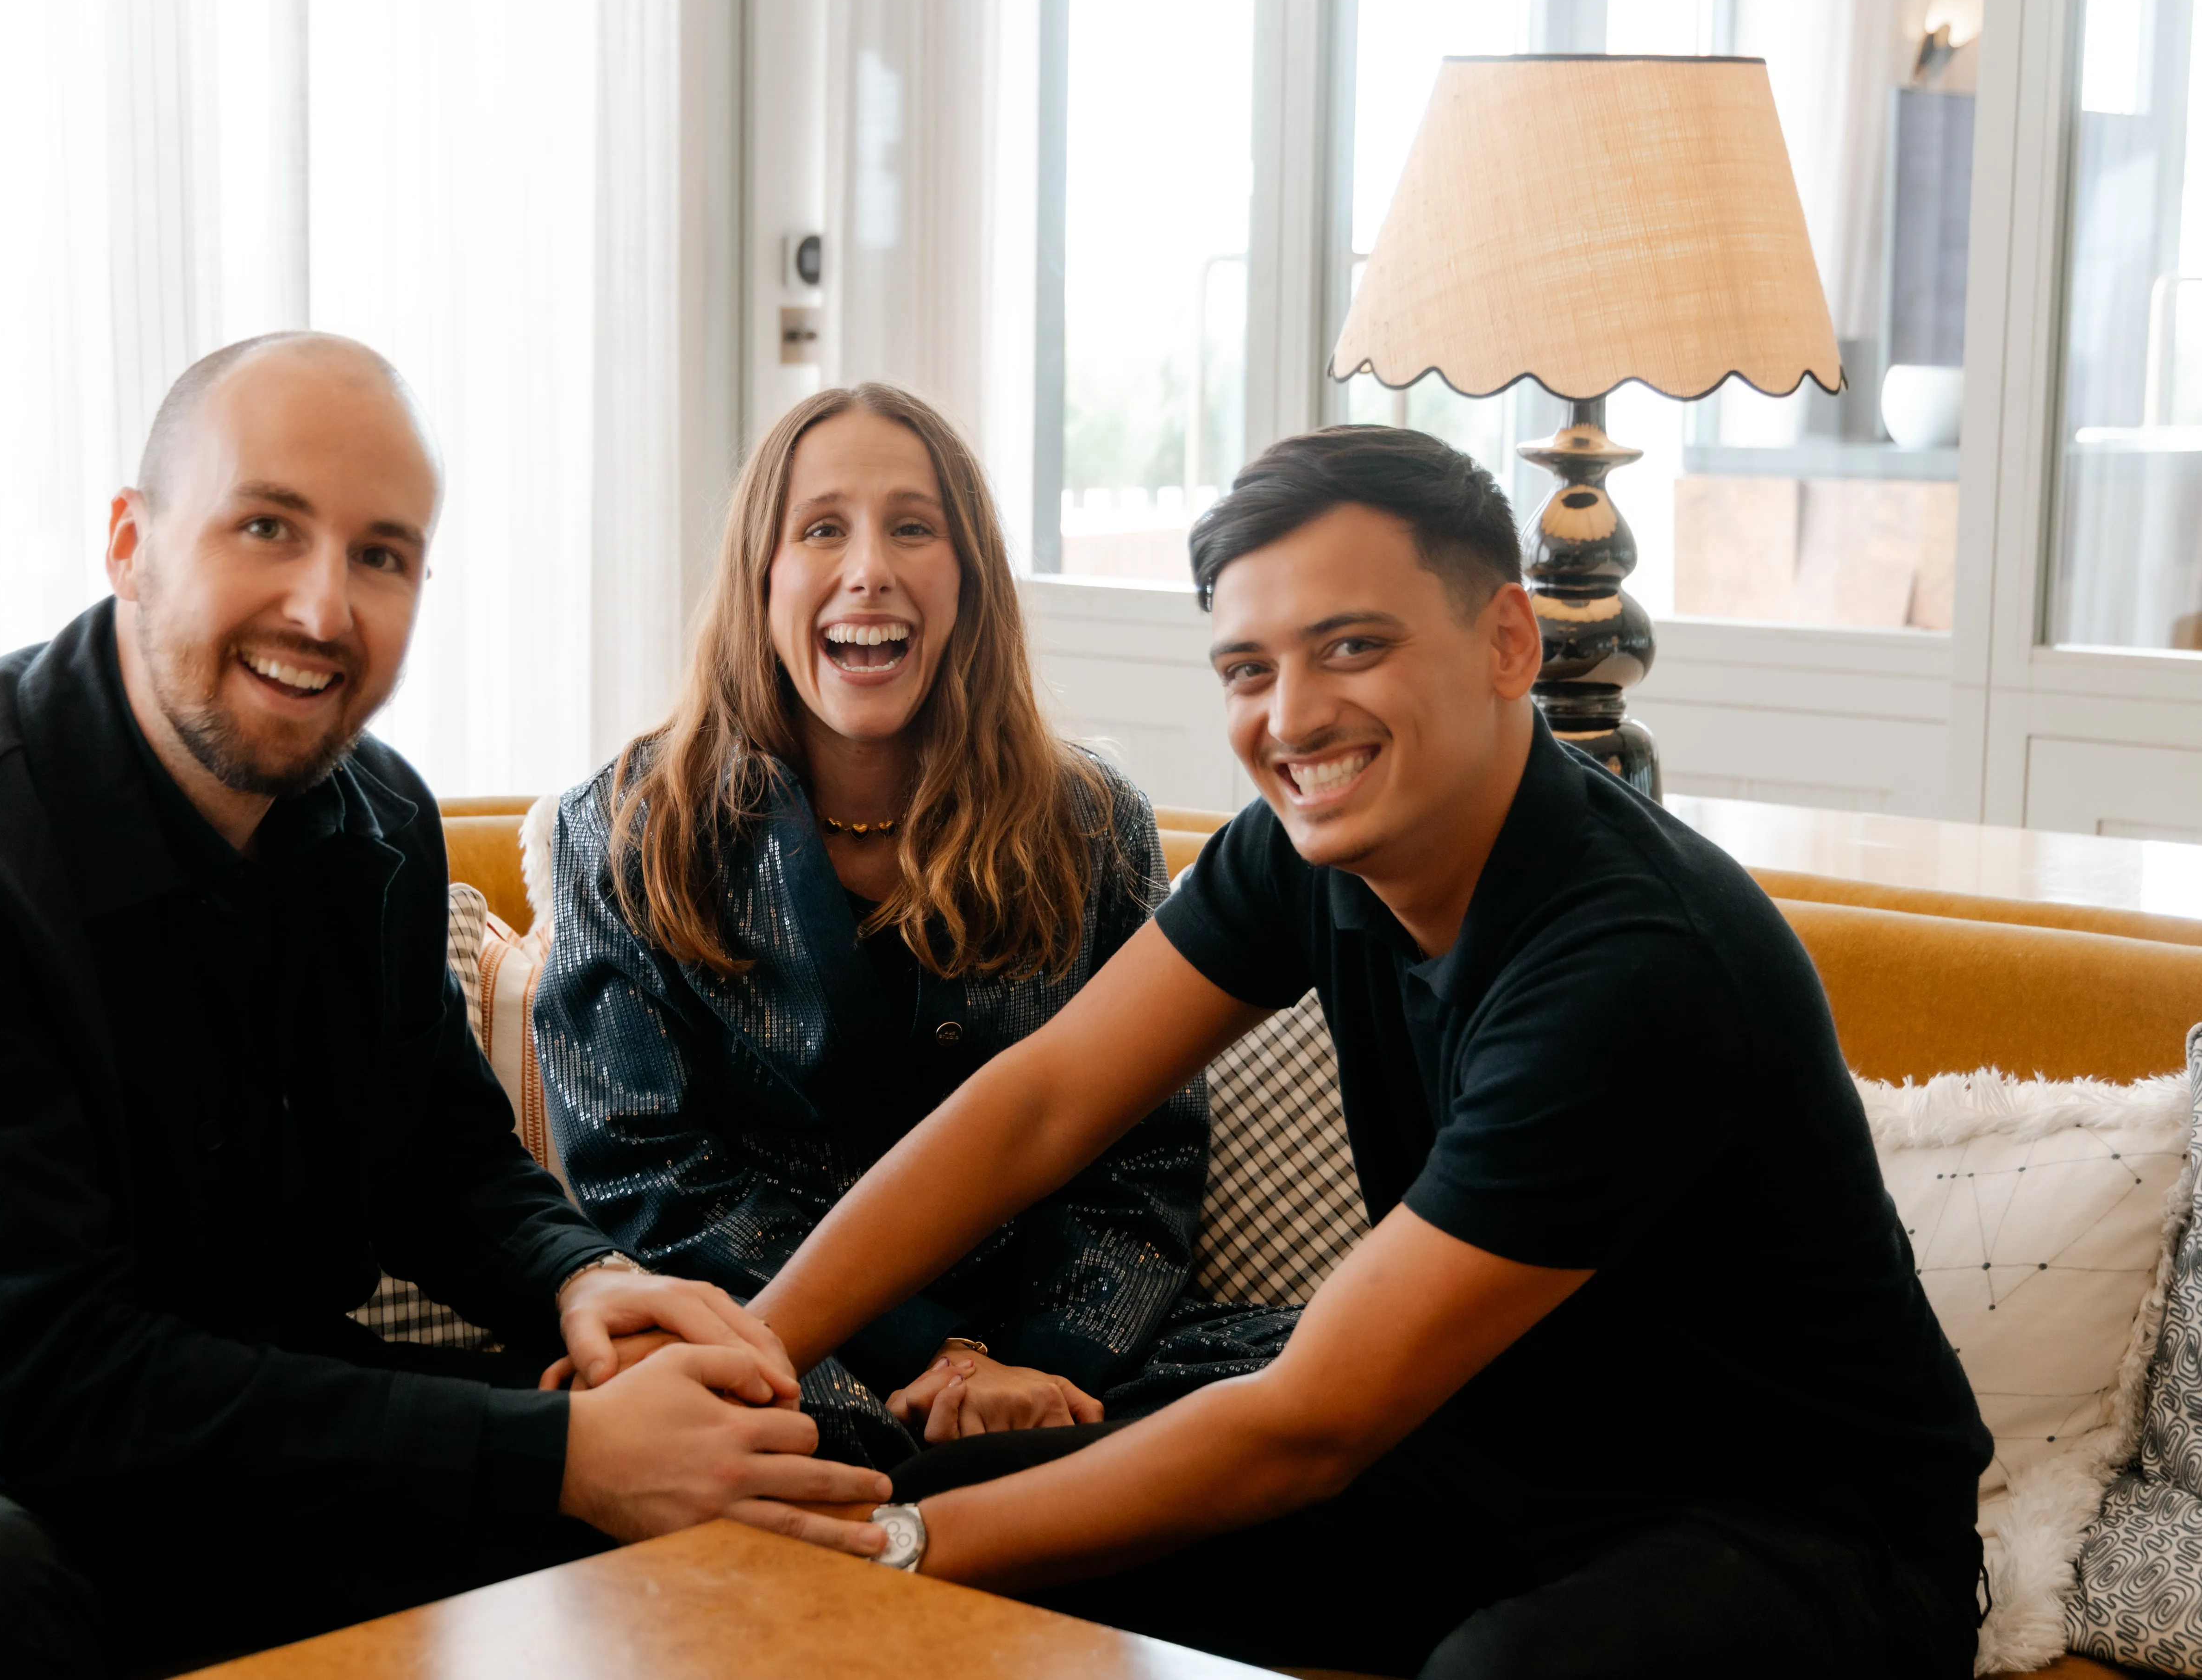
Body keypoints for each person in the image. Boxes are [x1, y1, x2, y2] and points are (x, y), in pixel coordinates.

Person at [0, 332, 888, 1680]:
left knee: (781, 1466)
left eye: (380, 555)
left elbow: (443, 1163)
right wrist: (560, 1458)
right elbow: (44, 1384)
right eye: (267, 528)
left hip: (253, 1419)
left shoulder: (382, 821)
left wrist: (585, 1280)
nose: (322, 608)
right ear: (131, 541)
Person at [741, 425, 1993, 1677]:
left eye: (1353, 647)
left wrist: (894, 1545)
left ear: (1510, 642)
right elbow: (1044, 1103)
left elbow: (1310, 1424)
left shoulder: (1637, 965)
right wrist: (753, 1354)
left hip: (1805, 1534)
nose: (1291, 718)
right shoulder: (1300, 849)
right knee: (952, 1484)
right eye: (1246, 668)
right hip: (1486, 1462)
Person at [535, 383, 1289, 1468]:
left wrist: (1039, 1360)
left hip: (1072, 1366)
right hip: (776, 1343)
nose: (869, 569)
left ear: (969, 579)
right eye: (822, 528)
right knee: (675, 1416)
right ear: (764, 575)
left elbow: (1144, 1156)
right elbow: (645, 1173)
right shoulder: (620, 828)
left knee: (1328, 1389)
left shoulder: (1091, 821)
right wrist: (934, 1352)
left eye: (913, 527)